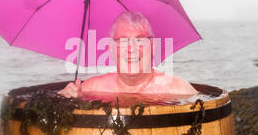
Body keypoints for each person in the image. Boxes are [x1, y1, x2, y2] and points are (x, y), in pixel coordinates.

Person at [58, 11, 198, 98]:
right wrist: (66, 100)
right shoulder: (89, 90)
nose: (131, 48)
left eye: (140, 40)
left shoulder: (180, 91)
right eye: (123, 41)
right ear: (111, 49)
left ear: (153, 46)